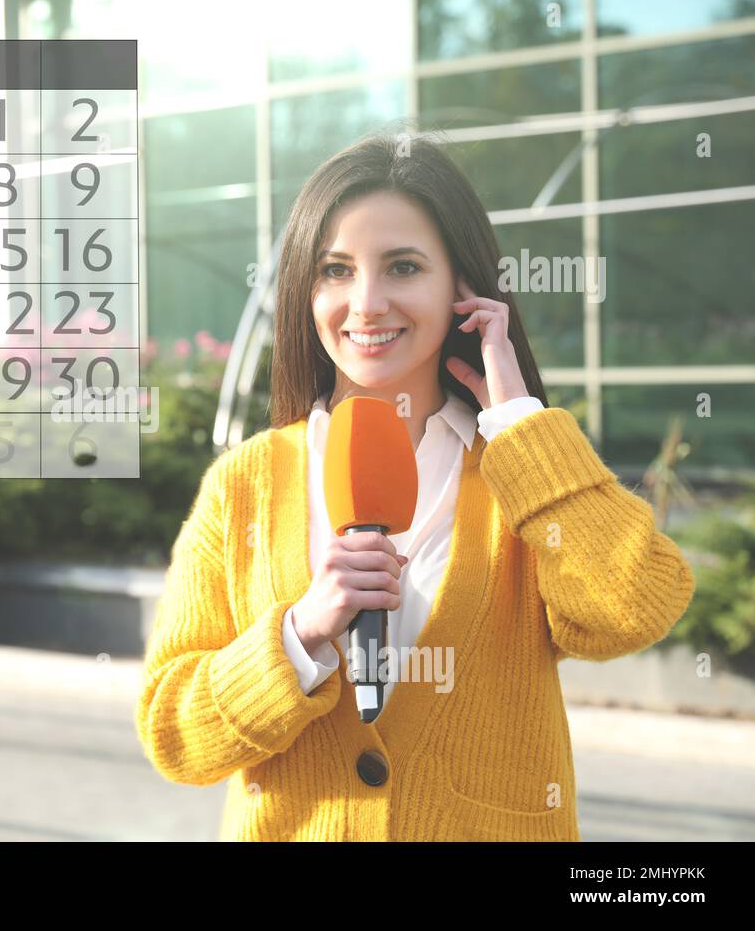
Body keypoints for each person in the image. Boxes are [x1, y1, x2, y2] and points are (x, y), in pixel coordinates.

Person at [134, 131, 695, 841]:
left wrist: (520, 423)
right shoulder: (243, 485)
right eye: (335, 270)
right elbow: (174, 737)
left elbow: (632, 607)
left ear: (462, 287)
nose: (365, 303)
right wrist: (301, 632)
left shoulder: (521, 471)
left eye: (402, 266)